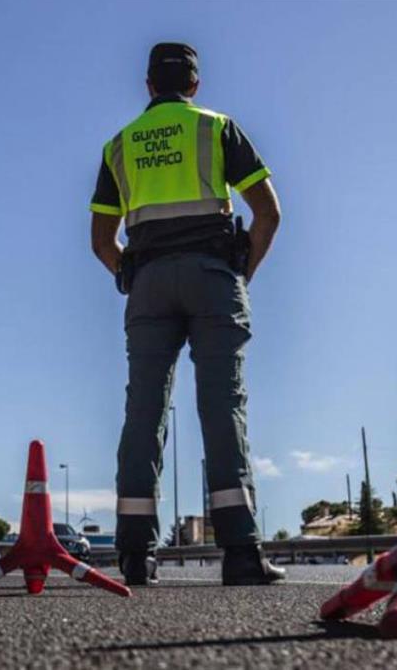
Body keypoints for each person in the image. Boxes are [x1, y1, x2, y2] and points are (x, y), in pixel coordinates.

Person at [89, 43, 285, 586]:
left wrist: (125, 273)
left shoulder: (119, 145)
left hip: (148, 283)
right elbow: (268, 211)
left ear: (148, 84)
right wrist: (242, 273)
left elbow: (101, 239)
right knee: (222, 407)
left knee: (143, 412)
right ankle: (241, 553)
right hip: (212, 276)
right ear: (194, 85)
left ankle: (134, 554)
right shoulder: (216, 127)